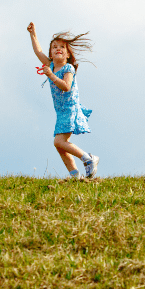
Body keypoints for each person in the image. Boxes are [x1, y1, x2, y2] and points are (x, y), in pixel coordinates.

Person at [27, 22, 99, 179]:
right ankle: (74, 175)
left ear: (67, 55)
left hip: (70, 109)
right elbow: (38, 51)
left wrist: (51, 76)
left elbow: (66, 86)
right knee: (60, 144)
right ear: (51, 55)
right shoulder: (51, 65)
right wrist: (33, 34)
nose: (58, 48)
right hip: (61, 111)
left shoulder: (68, 69)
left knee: (59, 142)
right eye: (54, 47)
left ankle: (88, 158)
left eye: (62, 47)